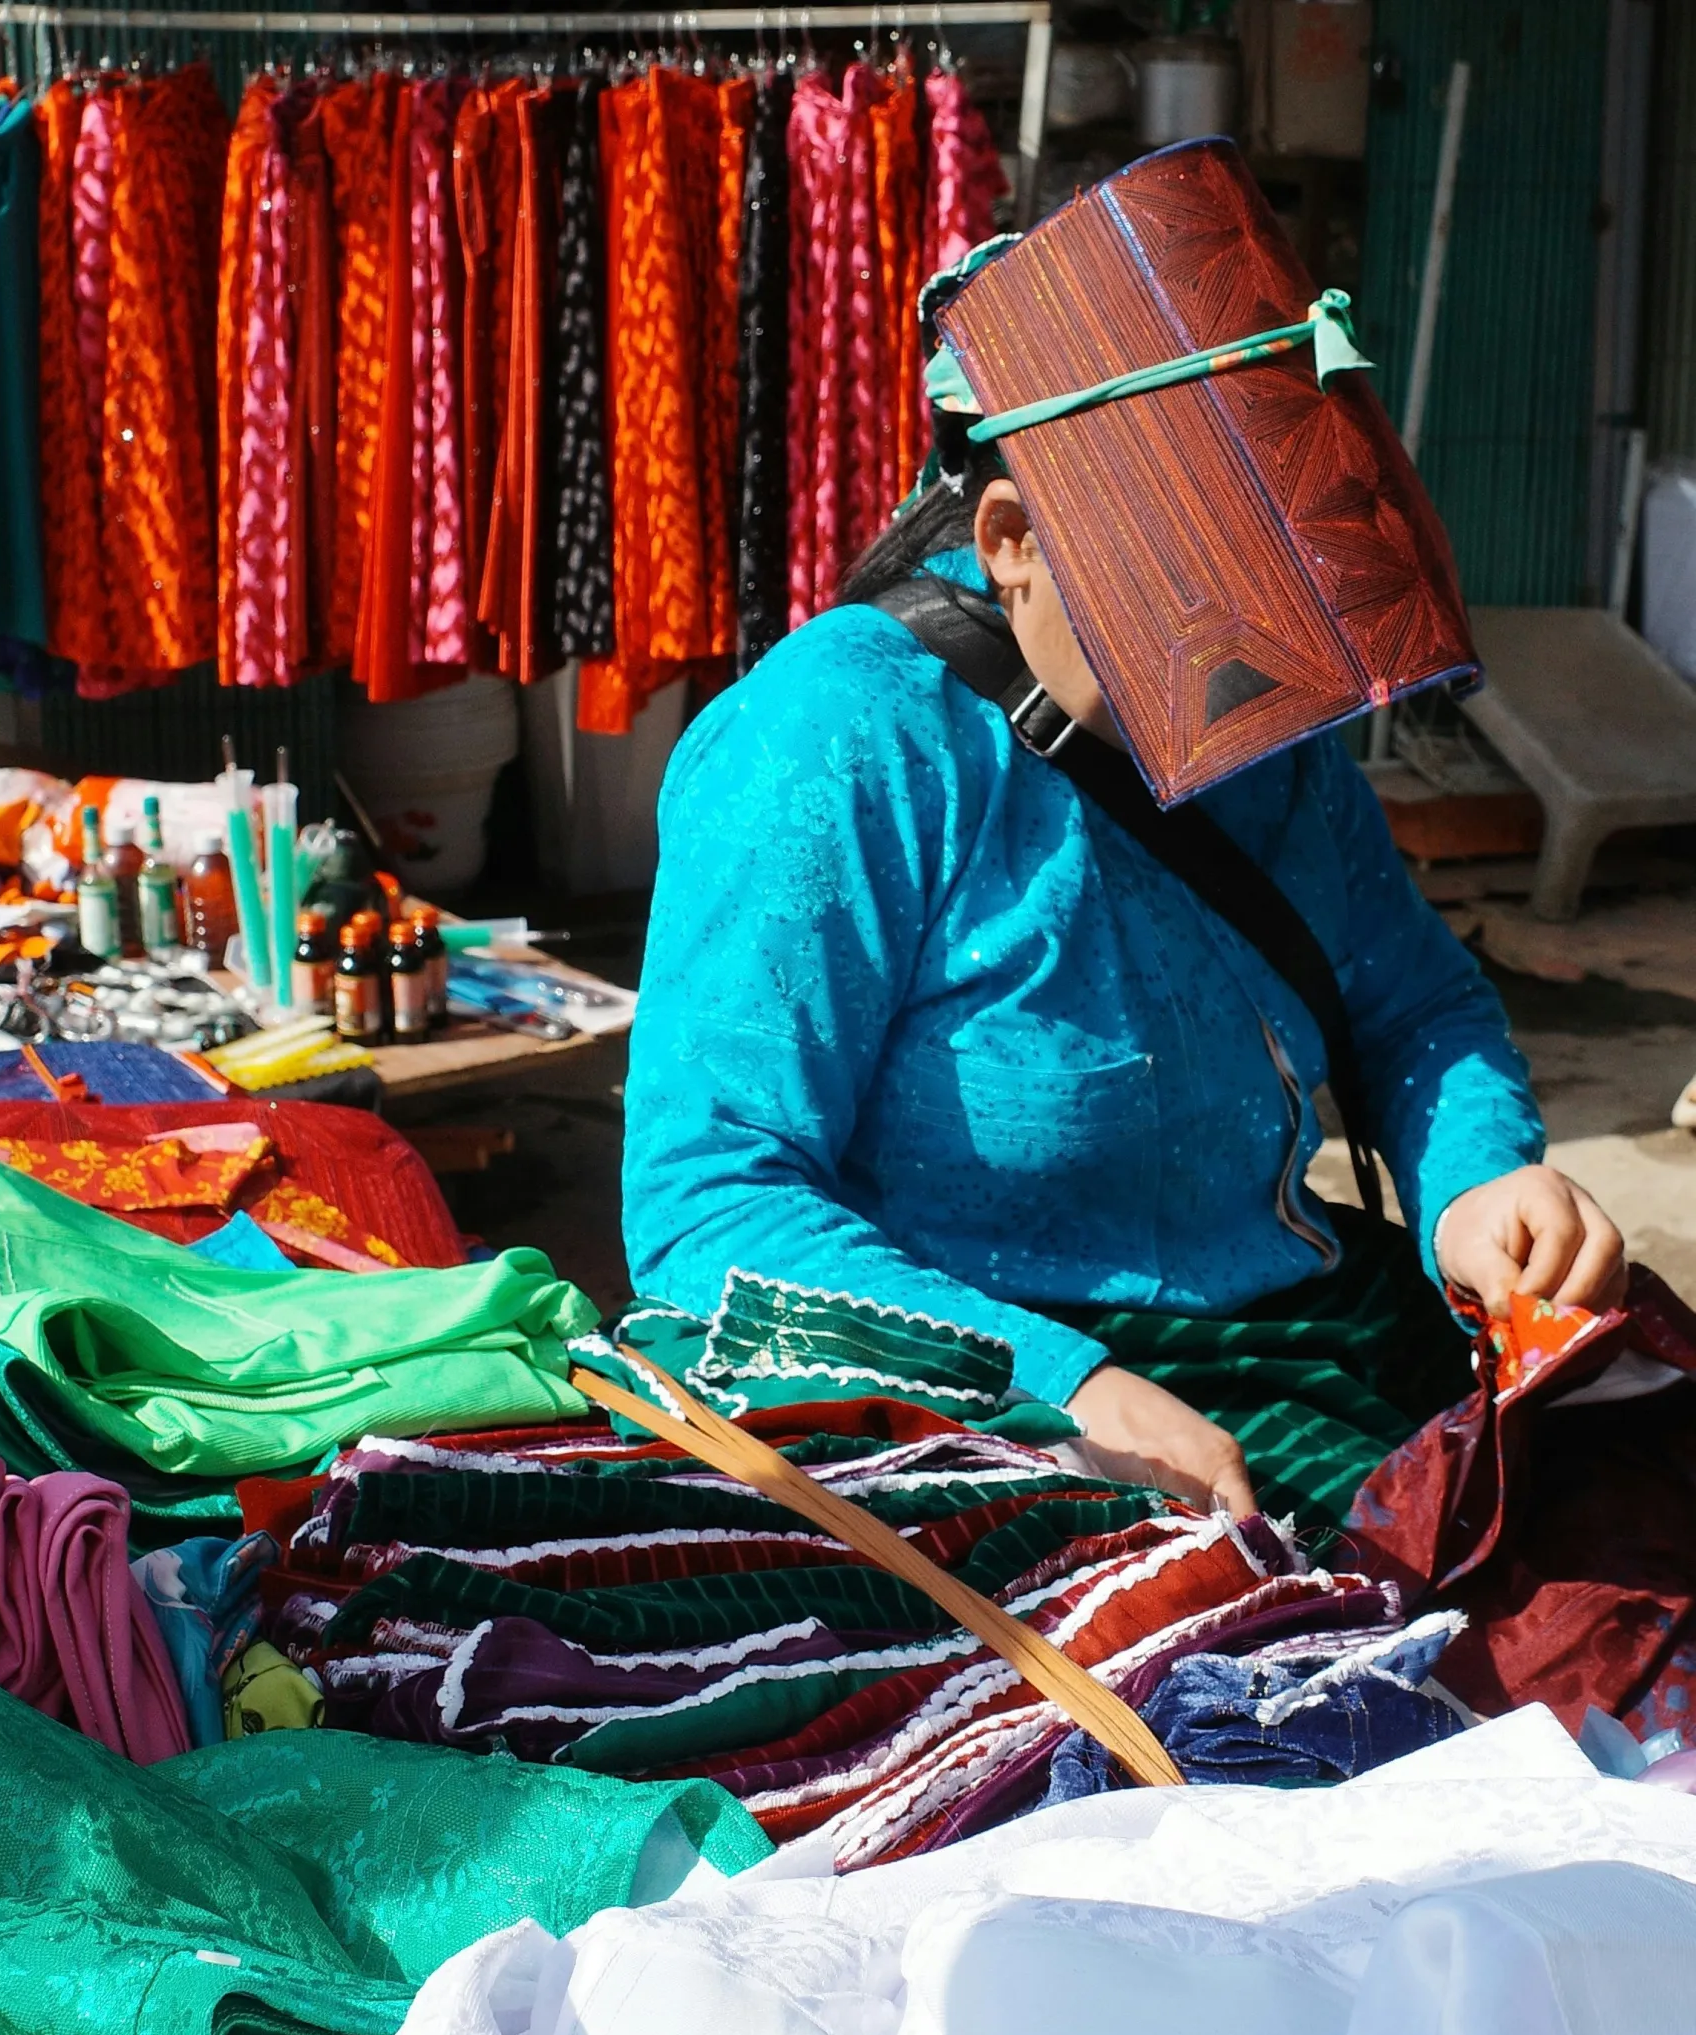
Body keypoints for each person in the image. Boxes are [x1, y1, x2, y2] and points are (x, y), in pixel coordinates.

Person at [622, 272, 1625, 1531]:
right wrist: (1062, 1385)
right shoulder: (821, 743)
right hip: (960, 1387)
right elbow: (706, 1204)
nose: (1242, 680)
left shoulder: (1267, 714)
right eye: (1189, 619)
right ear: (1011, 542)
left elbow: (1415, 1006)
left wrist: (1476, 1183)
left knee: (1631, 1480)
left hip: (1301, 1331)